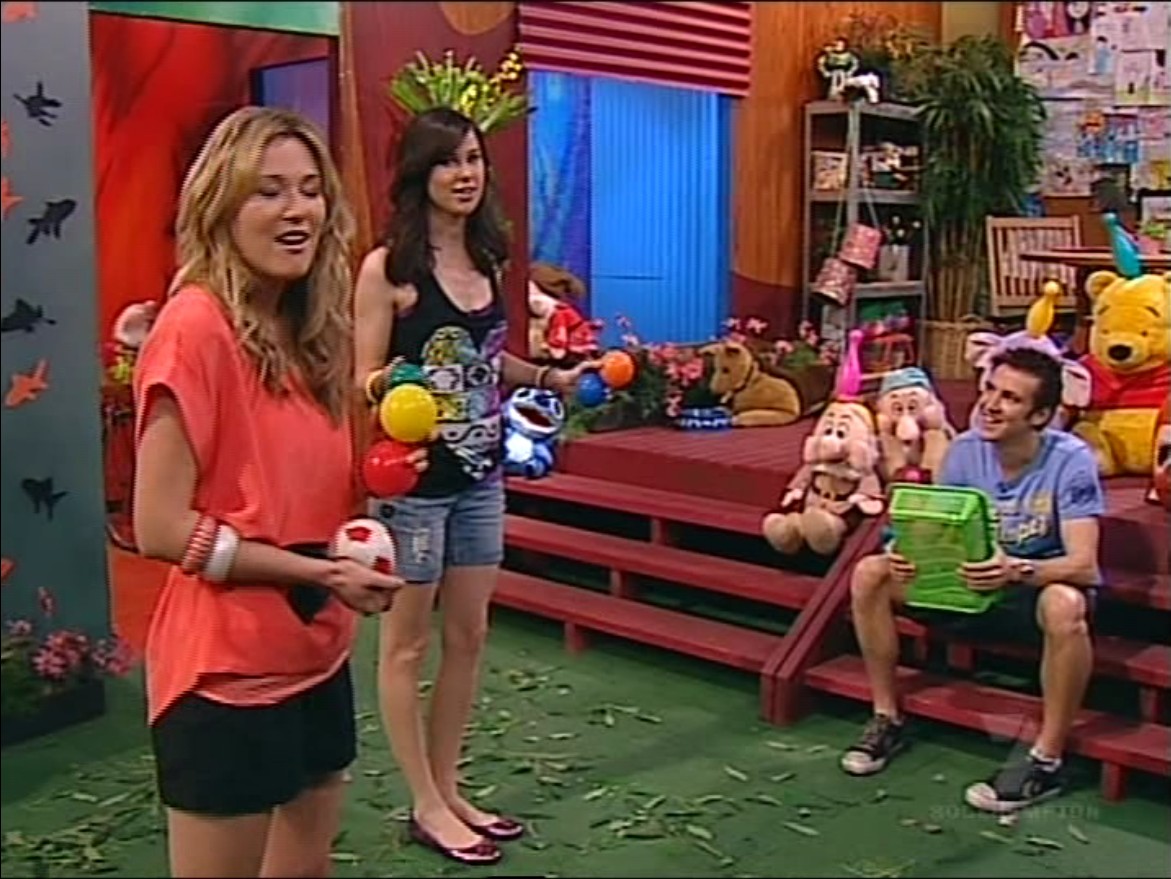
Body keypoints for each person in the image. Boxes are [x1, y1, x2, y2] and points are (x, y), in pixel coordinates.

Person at [133, 106, 420, 877]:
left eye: (309, 190)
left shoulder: (311, 329)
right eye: (267, 191)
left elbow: (299, 488)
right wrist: (318, 572)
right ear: (219, 207)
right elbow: (159, 525)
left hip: (316, 656)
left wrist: (389, 470)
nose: (297, 210)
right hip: (225, 676)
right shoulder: (194, 328)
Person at [353, 107, 596, 866]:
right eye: (449, 161)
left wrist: (550, 376)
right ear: (418, 173)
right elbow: (360, 378)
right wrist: (395, 386)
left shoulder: (489, 264)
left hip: (483, 476)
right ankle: (423, 802)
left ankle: (450, 787)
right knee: (405, 646)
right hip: (415, 485)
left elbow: (488, 363)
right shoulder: (388, 271)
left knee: (469, 636)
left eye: (474, 159)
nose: (465, 175)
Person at [840, 346, 1105, 814]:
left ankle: (1046, 760)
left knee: (1066, 603)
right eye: (989, 390)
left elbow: (1083, 565)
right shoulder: (962, 450)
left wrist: (1017, 569)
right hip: (966, 584)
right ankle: (886, 717)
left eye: (1010, 398)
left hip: (1028, 590)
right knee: (871, 573)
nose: (990, 405)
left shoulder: (1071, 460)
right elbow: (937, 529)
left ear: (1040, 415)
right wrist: (905, 552)